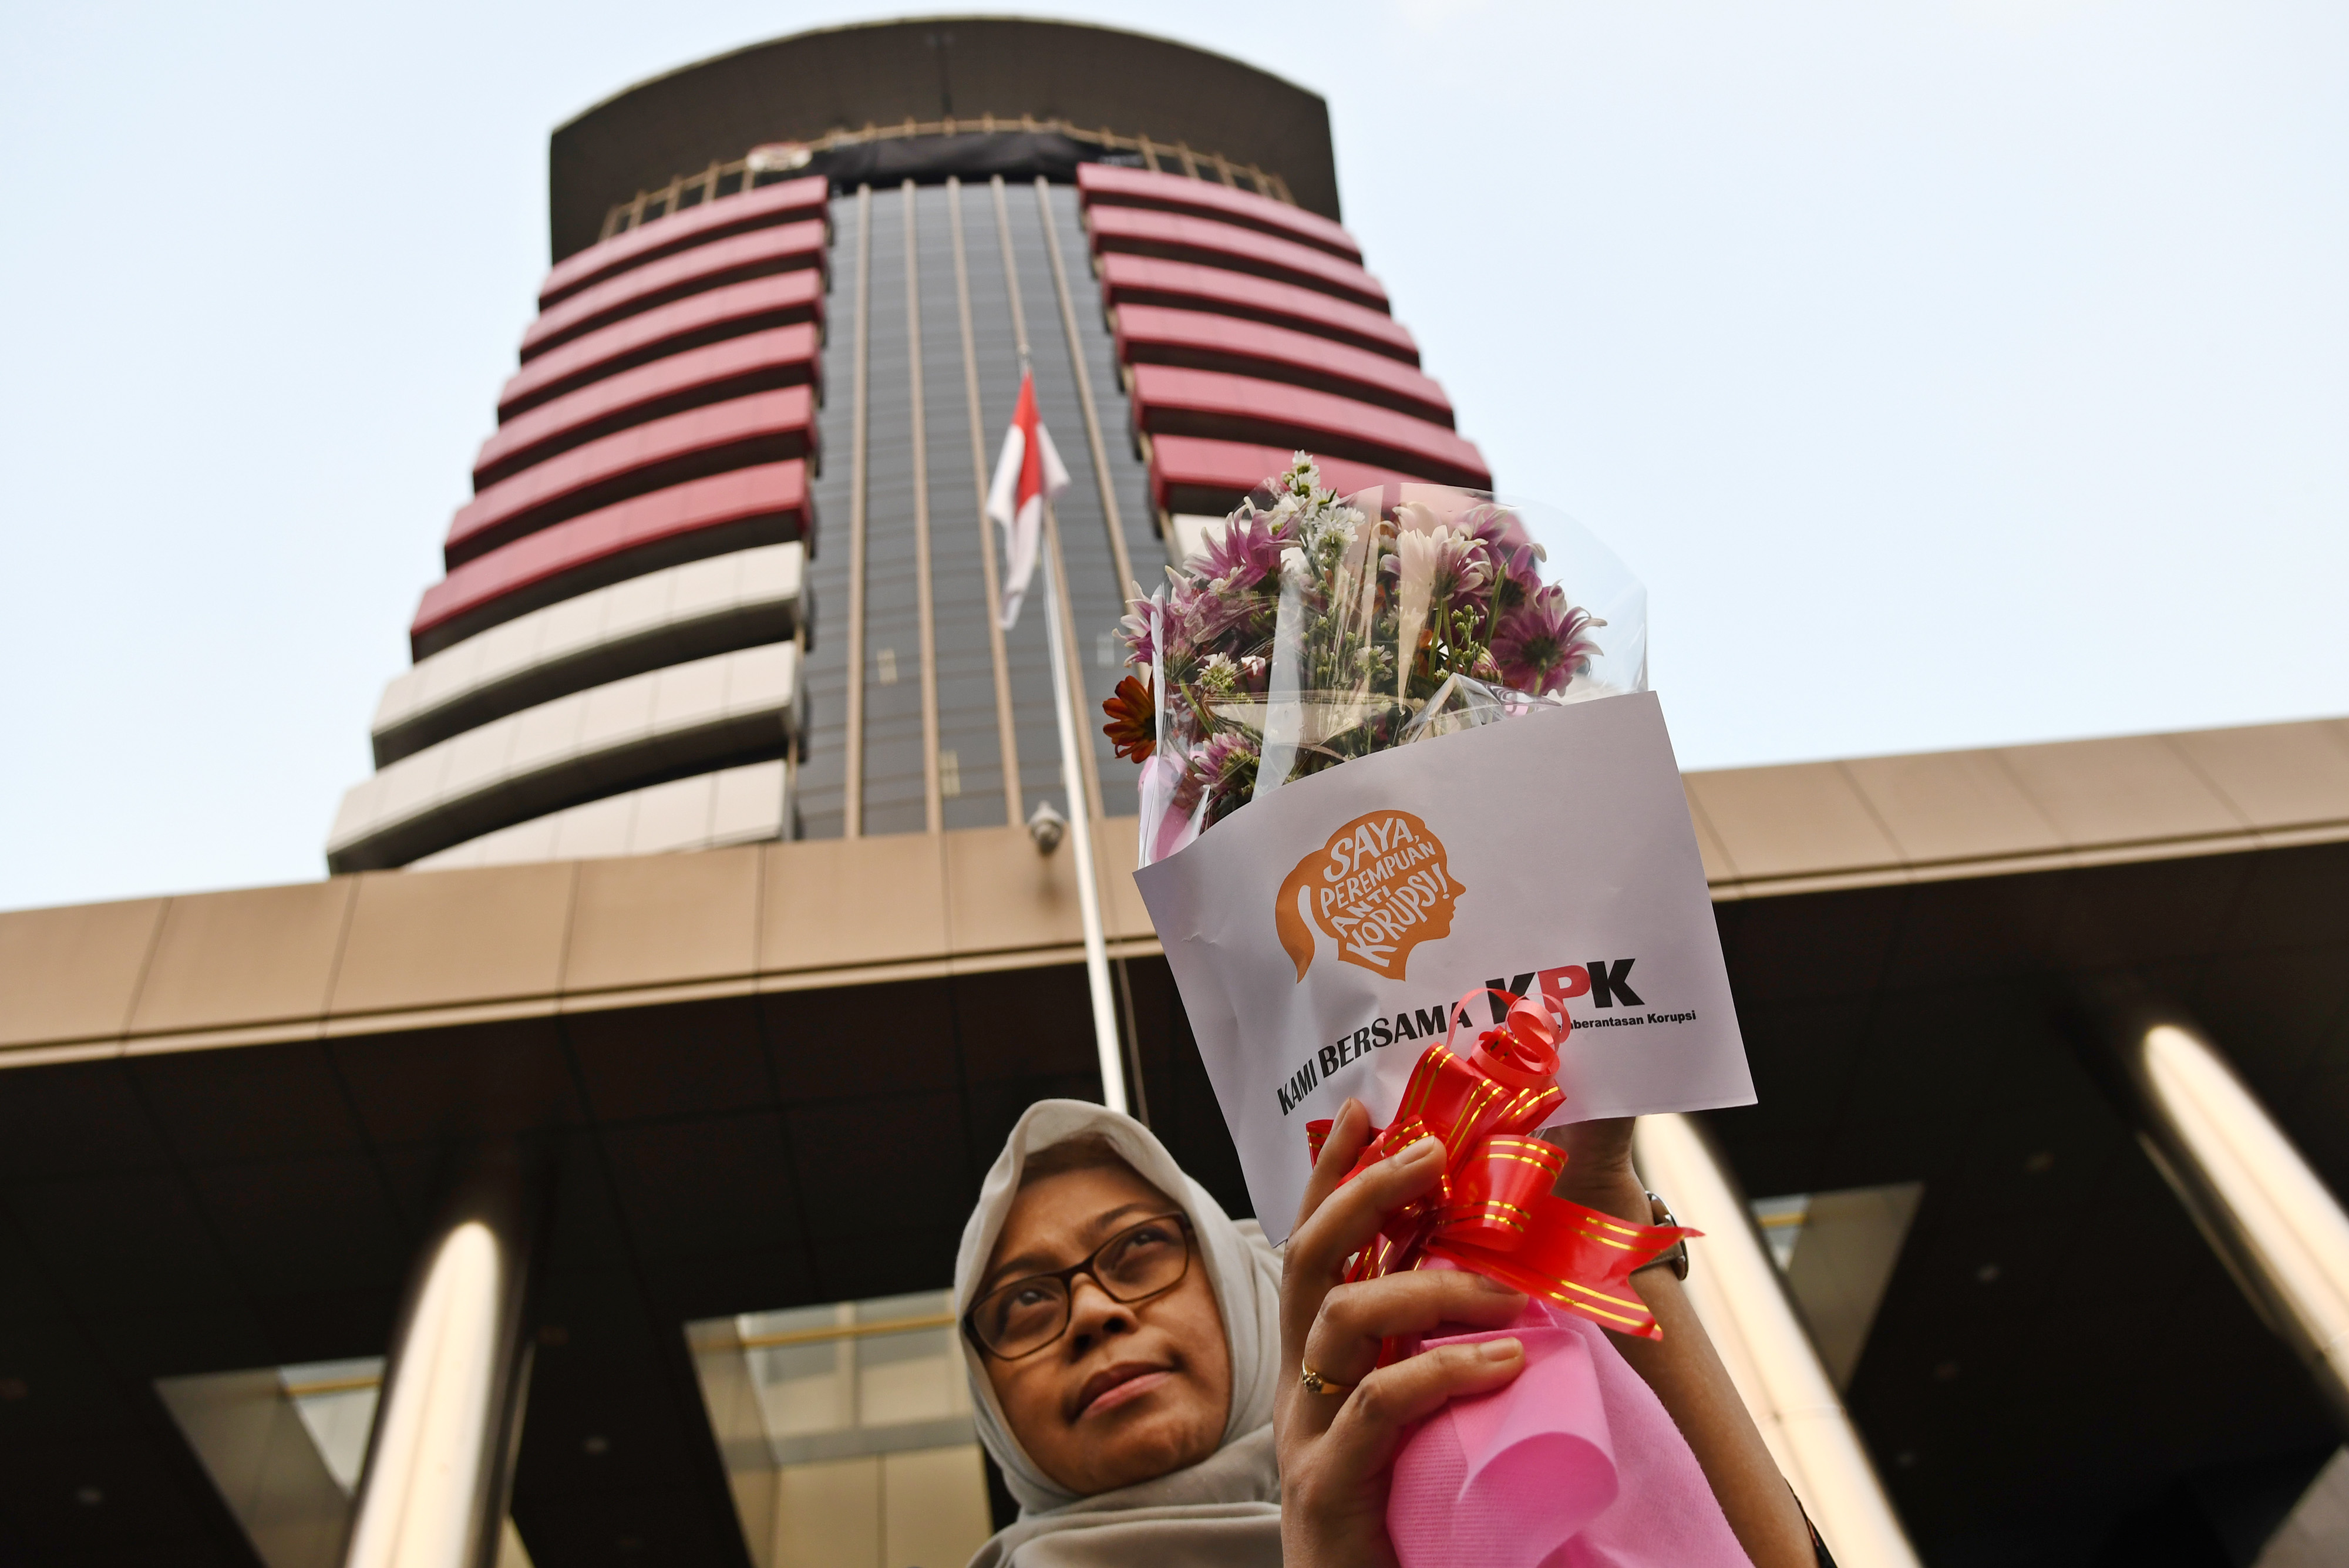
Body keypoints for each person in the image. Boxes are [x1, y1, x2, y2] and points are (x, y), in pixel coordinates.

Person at [954, 1098, 1826, 1567]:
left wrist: (1599, 1210)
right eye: (1024, 1303)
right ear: (990, 1399)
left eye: (1140, 1247)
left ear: (1238, 1284)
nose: (1096, 1312)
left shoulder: (1458, 1486)